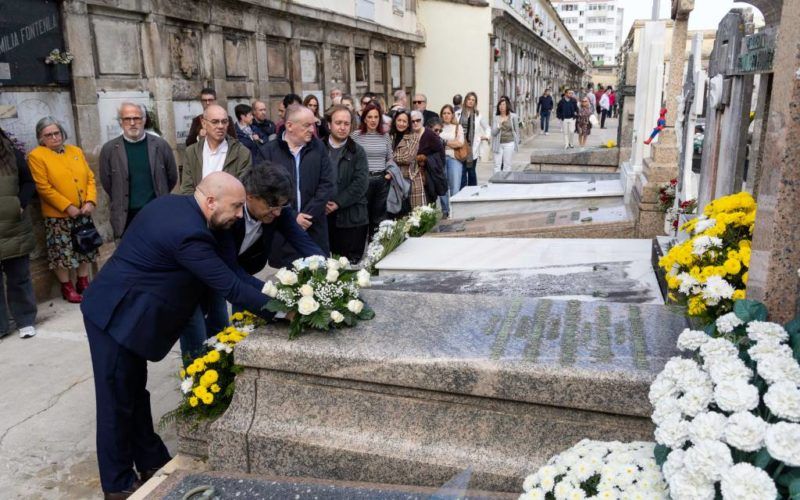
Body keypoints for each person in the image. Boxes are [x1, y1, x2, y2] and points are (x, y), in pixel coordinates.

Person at [80, 172, 273, 499]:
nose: (241, 214)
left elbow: (234, 273)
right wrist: (289, 311)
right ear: (211, 201)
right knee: (115, 403)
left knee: (134, 394)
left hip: (131, 313)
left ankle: (151, 460)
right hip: (114, 315)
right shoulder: (189, 234)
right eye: (236, 206)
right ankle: (118, 485)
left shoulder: (177, 206)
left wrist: (280, 295)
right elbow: (229, 287)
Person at [255, 105, 335, 268]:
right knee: (286, 284)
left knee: (319, 276)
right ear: (289, 126)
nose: (312, 130)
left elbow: (326, 184)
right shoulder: (268, 152)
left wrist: (307, 215)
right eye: (307, 125)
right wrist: (292, 216)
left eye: (313, 125)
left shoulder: (318, 147)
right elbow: (264, 190)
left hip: (313, 227)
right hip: (282, 231)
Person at [28, 117, 98, 304]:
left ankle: (83, 282)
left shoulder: (75, 151)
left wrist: (90, 201)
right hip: (59, 216)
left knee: (85, 247)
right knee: (62, 253)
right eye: (48, 135)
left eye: (56, 133)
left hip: (83, 211)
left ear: (62, 133)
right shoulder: (37, 156)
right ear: (41, 138)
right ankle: (67, 286)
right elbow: (43, 187)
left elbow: (90, 178)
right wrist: (68, 207)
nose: (54, 137)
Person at [99, 102, 178, 239]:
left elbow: (171, 177)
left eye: (137, 118)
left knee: (159, 253)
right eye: (127, 119)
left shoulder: (160, 145)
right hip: (126, 216)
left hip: (156, 212)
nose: (132, 123)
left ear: (144, 120)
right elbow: (107, 183)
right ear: (120, 122)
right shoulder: (109, 149)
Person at [232, 163, 322, 278]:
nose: (277, 213)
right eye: (271, 206)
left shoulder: (280, 211)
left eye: (282, 206)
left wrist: (331, 269)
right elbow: (226, 266)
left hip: (246, 271)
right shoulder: (230, 214)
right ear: (250, 196)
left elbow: (305, 243)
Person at [0, 127, 37, 339]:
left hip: (14, 227)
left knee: (19, 277)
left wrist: (19, 205)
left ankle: (25, 320)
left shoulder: (11, 152)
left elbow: (28, 182)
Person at [325, 105, 369, 263]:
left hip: (352, 219)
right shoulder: (317, 149)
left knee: (349, 267)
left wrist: (338, 202)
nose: (342, 127)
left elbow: (361, 183)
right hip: (323, 218)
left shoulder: (358, 152)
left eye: (346, 123)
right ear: (329, 124)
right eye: (338, 123)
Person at [180, 104, 252, 195]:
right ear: (204, 123)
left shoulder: (241, 153)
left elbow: (241, 189)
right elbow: (187, 189)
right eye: (215, 122)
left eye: (224, 122)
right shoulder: (191, 152)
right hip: (197, 207)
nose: (221, 126)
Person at [351, 102, 396, 238]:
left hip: (381, 181)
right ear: (364, 118)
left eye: (376, 117)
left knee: (379, 217)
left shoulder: (385, 136)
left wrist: (389, 173)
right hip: (363, 181)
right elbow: (351, 158)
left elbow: (390, 157)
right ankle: (360, 251)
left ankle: (375, 248)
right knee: (363, 216)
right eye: (369, 117)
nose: (373, 120)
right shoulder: (356, 136)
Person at [455, 91, 489, 188]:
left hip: (472, 147)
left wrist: (486, 136)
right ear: (465, 100)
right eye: (469, 99)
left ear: (475, 102)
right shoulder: (458, 114)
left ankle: (473, 191)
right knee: (462, 171)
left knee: (471, 171)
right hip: (460, 146)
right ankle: (462, 192)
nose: (470, 101)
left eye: (473, 100)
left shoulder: (478, 115)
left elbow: (487, 128)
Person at [391, 110, 422, 215]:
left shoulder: (413, 137)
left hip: (410, 179)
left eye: (404, 121)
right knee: (394, 214)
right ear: (395, 121)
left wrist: (390, 158)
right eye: (399, 120)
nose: (401, 123)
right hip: (392, 181)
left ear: (408, 123)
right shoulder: (390, 136)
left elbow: (407, 157)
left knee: (413, 216)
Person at [413, 111, 447, 207]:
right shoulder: (409, 134)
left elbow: (441, 153)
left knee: (429, 201)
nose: (415, 123)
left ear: (422, 121)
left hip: (429, 174)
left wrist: (433, 165)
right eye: (412, 121)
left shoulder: (430, 135)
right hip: (413, 174)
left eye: (418, 120)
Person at [438, 104, 464, 218]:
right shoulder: (438, 128)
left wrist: (444, 142)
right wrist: (451, 142)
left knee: (455, 186)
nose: (446, 115)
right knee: (442, 186)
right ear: (441, 115)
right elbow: (435, 142)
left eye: (448, 113)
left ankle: (455, 210)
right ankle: (445, 210)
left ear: (452, 114)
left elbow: (460, 143)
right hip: (440, 159)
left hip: (454, 159)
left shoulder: (458, 127)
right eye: (444, 113)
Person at [491, 96, 520, 173]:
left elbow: (516, 130)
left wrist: (516, 142)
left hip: (509, 143)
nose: (502, 107)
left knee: (507, 165)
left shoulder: (513, 116)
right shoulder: (496, 118)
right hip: (498, 144)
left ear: (507, 106)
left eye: (503, 104)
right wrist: (498, 127)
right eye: (500, 105)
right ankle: (496, 182)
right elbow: (493, 133)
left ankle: (506, 183)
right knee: (497, 165)